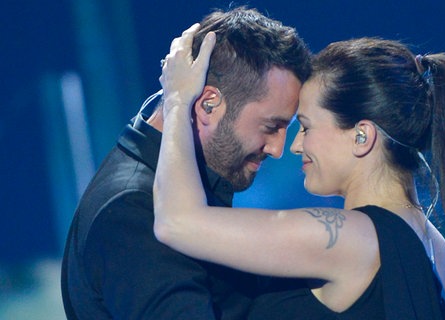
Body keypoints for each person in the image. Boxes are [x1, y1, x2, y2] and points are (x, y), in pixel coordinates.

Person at [154, 30, 445, 320]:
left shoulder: (349, 239)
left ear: (362, 136)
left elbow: (175, 223)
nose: (294, 146)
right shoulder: (440, 256)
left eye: (305, 127)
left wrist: (177, 100)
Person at [60, 7, 311, 319]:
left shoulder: (182, 180)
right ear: (207, 103)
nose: (277, 149)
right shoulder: (133, 210)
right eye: (271, 127)